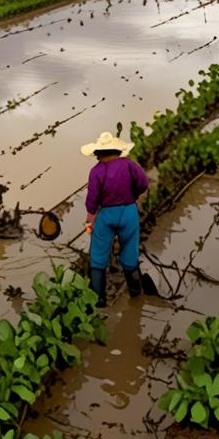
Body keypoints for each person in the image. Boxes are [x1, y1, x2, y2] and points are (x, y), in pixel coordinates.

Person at [81, 131, 152, 308]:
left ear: (99, 153)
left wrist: (90, 220)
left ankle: (99, 299)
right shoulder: (129, 165)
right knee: (129, 251)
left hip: (105, 215)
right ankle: (136, 292)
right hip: (129, 213)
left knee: (98, 256)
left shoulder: (96, 171)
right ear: (118, 151)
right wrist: (132, 196)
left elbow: (92, 199)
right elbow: (143, 183)